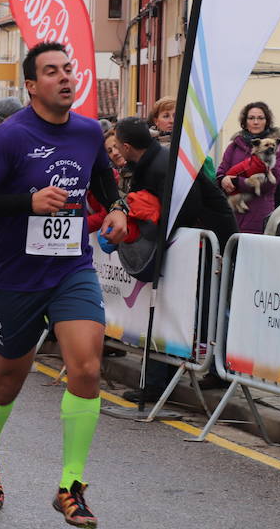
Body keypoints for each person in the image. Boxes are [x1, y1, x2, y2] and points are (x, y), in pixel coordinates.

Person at [0, 42, 129, 528]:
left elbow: (104, 181)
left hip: (71, 270)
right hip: (16, 277)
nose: (64, 77)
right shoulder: (9, 137)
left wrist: (118, 207)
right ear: (31, 85)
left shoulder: (90, 131)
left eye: (68, 69)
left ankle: (71, 485)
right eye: (51, 72)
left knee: (87, 368)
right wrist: (26, 204)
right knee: (8, 380)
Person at [113, 116, 238, 399]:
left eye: (118, 145)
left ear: (128, 146)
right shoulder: (148, 162)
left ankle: (218, 371)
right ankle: (161, 380)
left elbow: (188, 205)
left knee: (208, 305)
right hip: (191, 239)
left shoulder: (162, 164)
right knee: (174, 308)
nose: (117, 150)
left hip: (208, 238)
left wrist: (159, 232)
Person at [216, 102, 280, 233]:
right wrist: (222, 180)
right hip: (233, 214)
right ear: (245, 121)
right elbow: (221, 171)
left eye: (260, 118)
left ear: (267, 121)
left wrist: (236, 182)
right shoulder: (234, 146)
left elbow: (270, 182)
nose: (256, 122)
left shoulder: (277, 149)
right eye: (251, 118)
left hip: (260, 215)